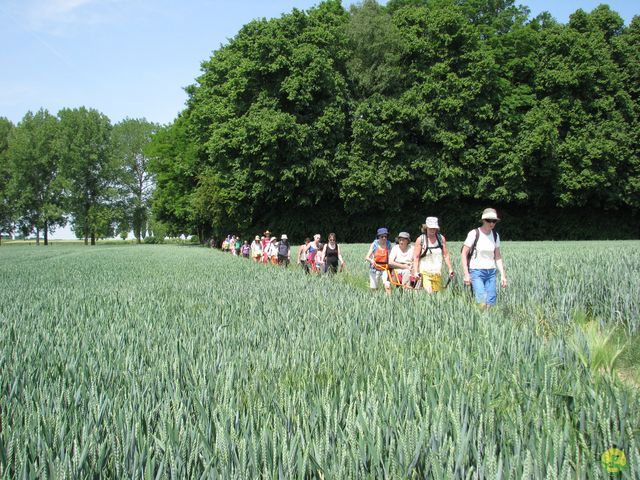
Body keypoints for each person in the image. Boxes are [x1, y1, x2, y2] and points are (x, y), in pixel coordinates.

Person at [461, 208, 507, 308]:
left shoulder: (495, 235)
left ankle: (488, 320)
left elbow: (498, 256)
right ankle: (481, 320)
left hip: (491, 272)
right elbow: (464, 253)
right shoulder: (474, 233)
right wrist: (466, 274)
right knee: (481, 299)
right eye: (488, 220)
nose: (491, 223)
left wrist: (503, 275)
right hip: (476, 271)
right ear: (483, 220)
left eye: (494, 221)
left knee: (491, 300)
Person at [413, 217, 454, 294]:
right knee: (430, 293)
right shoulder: (420, 239)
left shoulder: (441, 238)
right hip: (424, 272)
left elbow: (446, 255)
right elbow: (416, 257)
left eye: (434, 228)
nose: (432, 230)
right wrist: (415, 271)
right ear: (426, 227)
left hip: (437, 272)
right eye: (430, 228)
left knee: (437, 296)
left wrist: (450, 269)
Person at [365, 227, 392, 294]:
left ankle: (389, 300)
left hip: (385, 268)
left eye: (385, 236)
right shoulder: (374, 244)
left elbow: (390, 257)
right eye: (382, 236)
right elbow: (367, 257)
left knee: (387, 285)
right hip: (375, 268)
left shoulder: (388, 244)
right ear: (378, 237)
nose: (384, 238)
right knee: (374, 288)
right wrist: (371, 261)